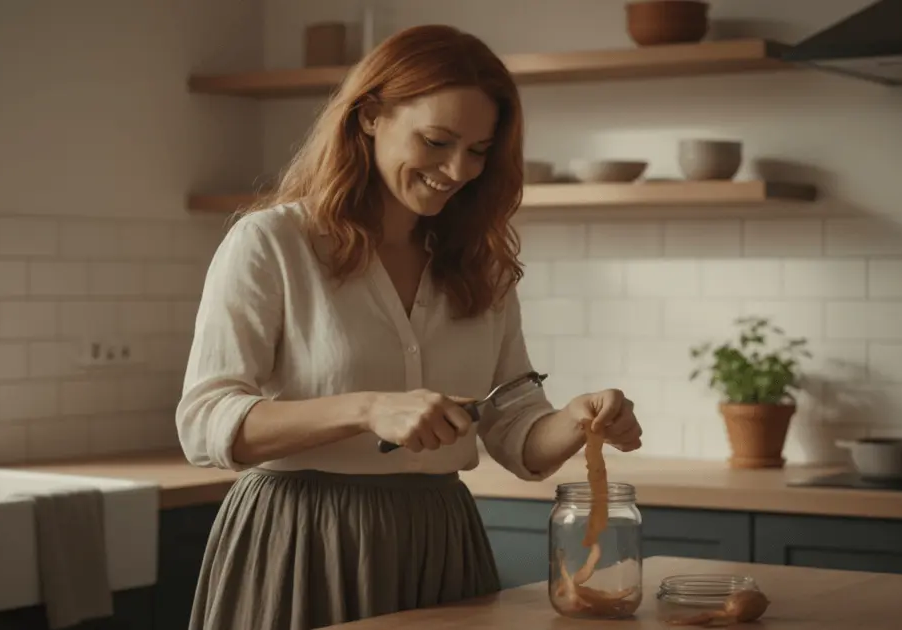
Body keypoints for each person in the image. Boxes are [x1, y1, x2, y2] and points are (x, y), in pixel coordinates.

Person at [175, 23, 644, 630]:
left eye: (478, 151)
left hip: (439, 539)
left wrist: (578, 419)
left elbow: (514, 429)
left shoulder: (482, 266)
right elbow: (204, 422)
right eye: (437, 141)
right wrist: (369, 409)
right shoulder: (273, 243)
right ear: (370, 116)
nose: (457, 170)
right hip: (300, 540)